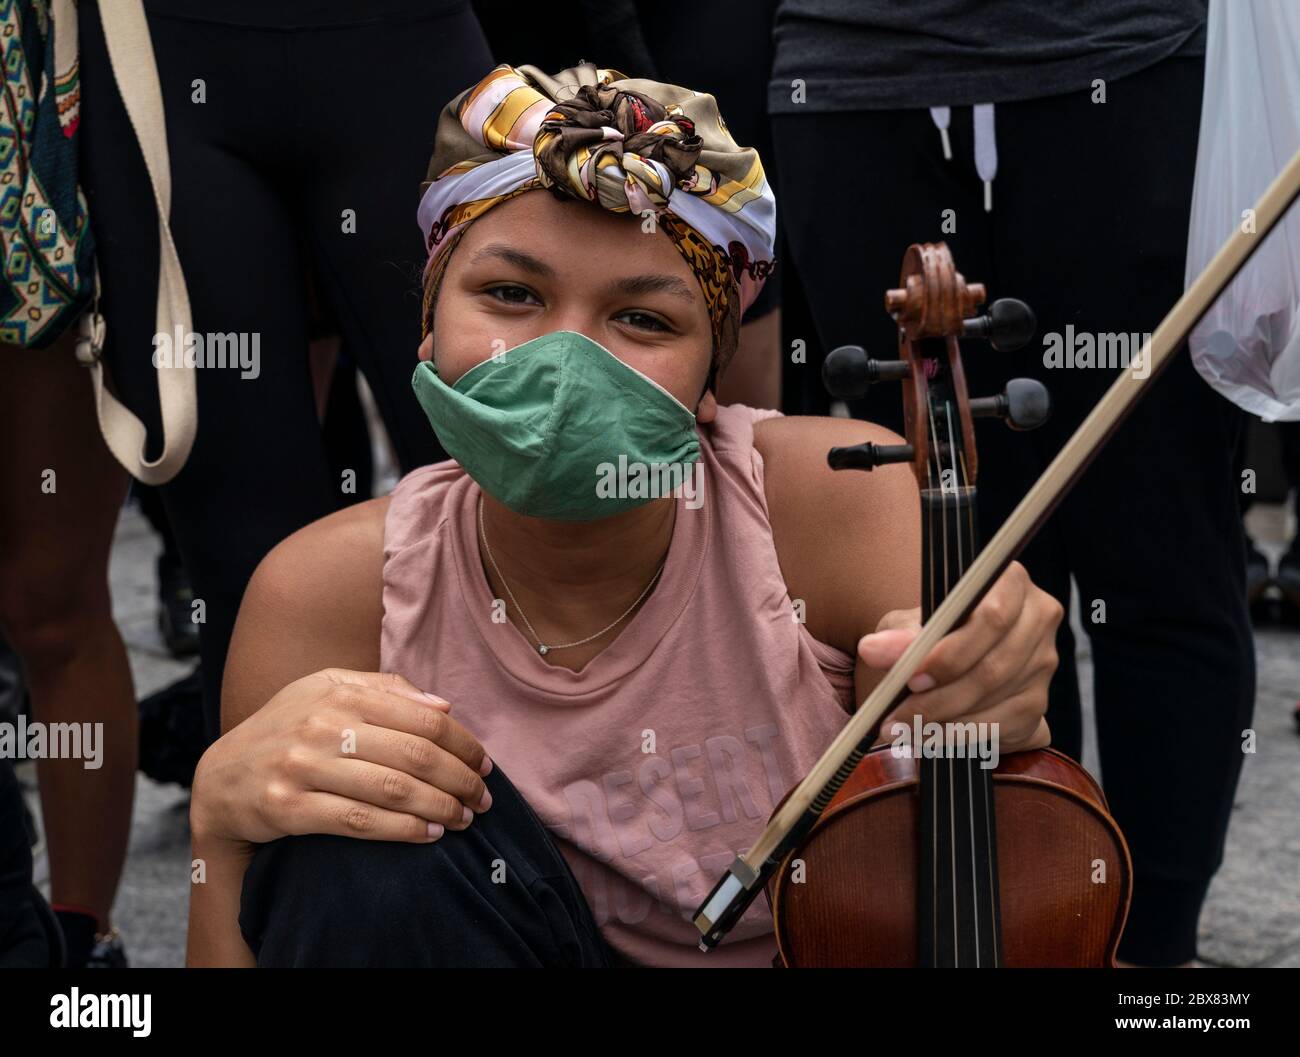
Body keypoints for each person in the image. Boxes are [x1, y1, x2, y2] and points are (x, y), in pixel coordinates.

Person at [186, 62, 1063, 968]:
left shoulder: (833, 502)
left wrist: (995, 688)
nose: (568, 358)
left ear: (710, 385)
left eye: (642, 318)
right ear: (428, 331)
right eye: (512, 296)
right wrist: (220, 827)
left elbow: (986, 803)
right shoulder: (325, 591)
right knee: (342, 841)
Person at [769, 0, 1251, 967]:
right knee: (942, 582)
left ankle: (1152, 955)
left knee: (1165, 550)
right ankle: (1033, 933)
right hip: (847, 70)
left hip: (1126, 58)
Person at [76, 0, 496, 743]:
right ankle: (281, 856)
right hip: (165, 53)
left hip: (406, 44)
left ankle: (548, 844)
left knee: (511, 504)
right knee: (243, 564)